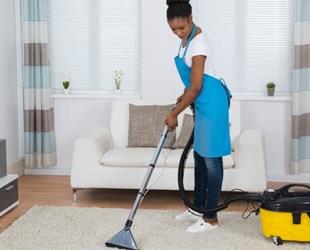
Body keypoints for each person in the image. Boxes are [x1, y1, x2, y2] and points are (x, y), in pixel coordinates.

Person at [165, 0, 232, 233]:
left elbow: (196, 86)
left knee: (212, 160)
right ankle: (197, 208)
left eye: (181, 28)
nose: (178, 32)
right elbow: (191, 84)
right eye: (173, 29)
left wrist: (175, 112)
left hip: (212, 104)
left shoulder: (199, 43)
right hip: (201, 104)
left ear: (191, 18)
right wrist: (182, 98)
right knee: (200, 157)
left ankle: (211, 218)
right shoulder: (186, 40)